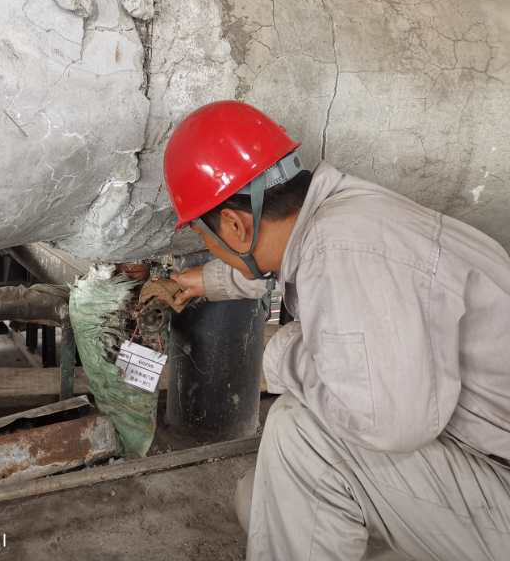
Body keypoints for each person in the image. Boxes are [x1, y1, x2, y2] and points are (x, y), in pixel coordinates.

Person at [163, 100, 510, 560]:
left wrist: (277, 355)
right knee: (261, 499)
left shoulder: (343, 250)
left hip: (493, 473)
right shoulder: (345, 218)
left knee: (300, 436)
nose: (213, 251)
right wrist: (203, 280)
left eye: (207, 243)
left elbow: (389, 425)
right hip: (479, 452)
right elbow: (273, 262)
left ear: (233, 223)